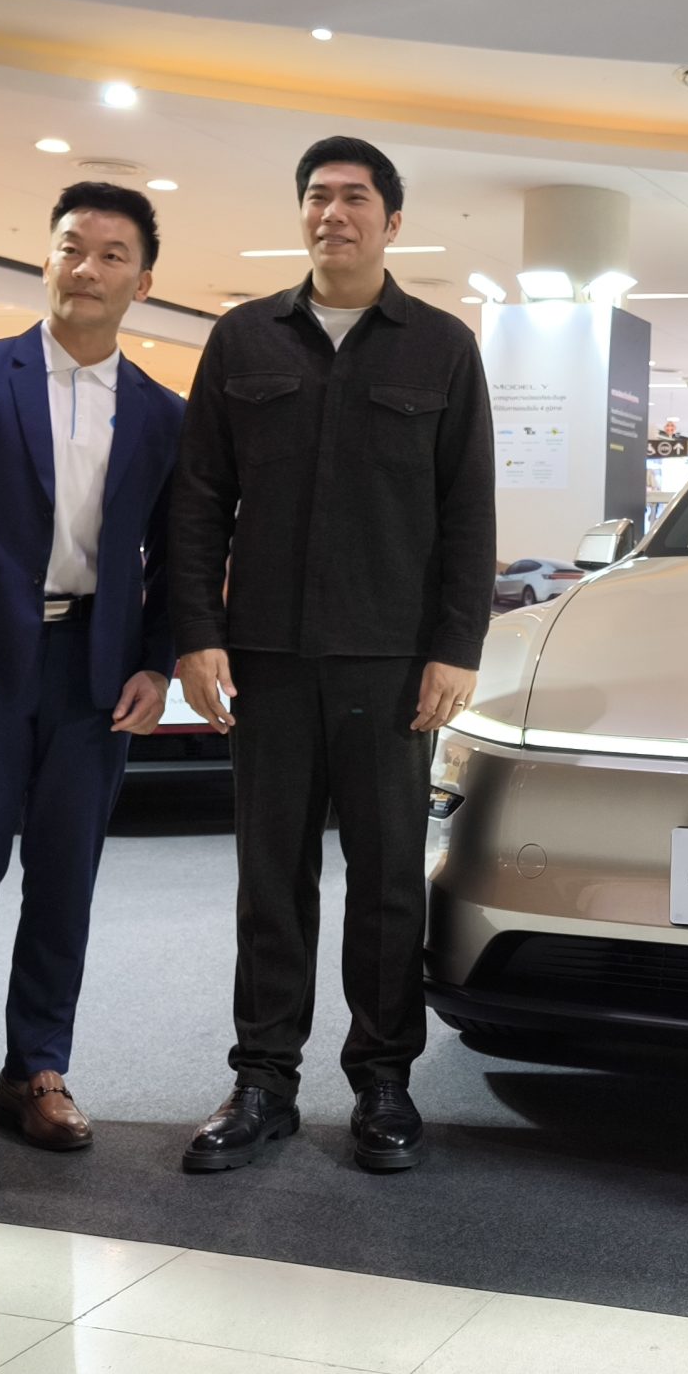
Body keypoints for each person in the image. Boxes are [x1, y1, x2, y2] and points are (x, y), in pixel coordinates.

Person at [171, 136, 495, 1175]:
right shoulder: (242, 339)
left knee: (389, 879)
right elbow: (198, 500)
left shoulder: (440, 347)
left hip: (390, 664)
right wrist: (197, 631)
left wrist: (455, 647)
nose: (333, 214)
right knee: (271, 877)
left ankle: (383, 1080)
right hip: (265, 657)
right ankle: (264, 1081)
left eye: (356, 198)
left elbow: (468, 512)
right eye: (318, 197)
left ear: (391, 222)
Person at [0, 184, 182, 1188]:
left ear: (144, 281)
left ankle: (38, 1071)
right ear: (45, 261)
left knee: (65, 883)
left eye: (112, 254)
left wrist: (156, 662)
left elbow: (176, 556)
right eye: (71, 248)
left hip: (95, 676)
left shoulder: (162, 414)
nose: (87, 269)